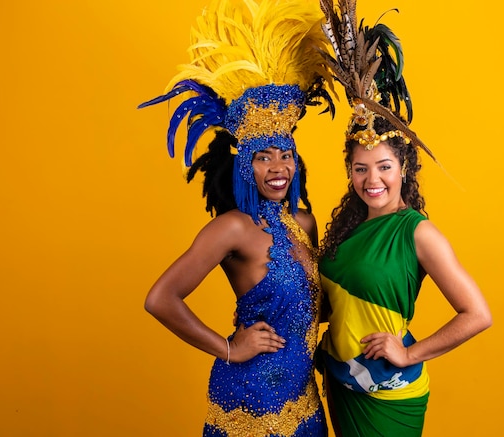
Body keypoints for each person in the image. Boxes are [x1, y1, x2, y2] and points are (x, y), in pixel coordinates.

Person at [138, 0, 334, 435]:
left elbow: (314, 311)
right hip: (250, 401)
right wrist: (228, 347)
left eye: (286, 156)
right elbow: (160, 299)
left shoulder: (304, 223)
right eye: (264, 158)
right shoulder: (232, 228)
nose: (278, 168)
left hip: (305, 398)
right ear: (246, 165)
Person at [315, 1, 492, 435]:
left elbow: (477, 314)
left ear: (404, 169)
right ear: (350, 172)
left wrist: (411, 354)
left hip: (387, 390)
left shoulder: (418, 233)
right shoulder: (347, 226)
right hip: (341, 379)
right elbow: (332, 306)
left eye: (384, 167)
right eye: (361, 168)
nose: (372, 179)